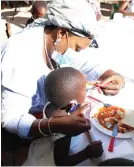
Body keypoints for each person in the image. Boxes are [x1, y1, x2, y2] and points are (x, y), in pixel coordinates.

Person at [1, 0, 125, 163]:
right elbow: (10, 120)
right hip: (19, 134)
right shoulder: (20, 55)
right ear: (61, 33)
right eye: (76, 48)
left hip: (47, 117)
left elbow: (86, 63)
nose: (77, 52)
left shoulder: (55, 39)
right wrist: (55, 126)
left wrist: (114, 76)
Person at [24, 67, 103, 166]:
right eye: (84, 89)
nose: (86, 91)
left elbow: (66, 112)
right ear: (72, 104)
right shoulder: (65, 130)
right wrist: (88, 152)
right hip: (74, 153)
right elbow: (62, 163)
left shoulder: (51, 104)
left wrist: (78, 109)